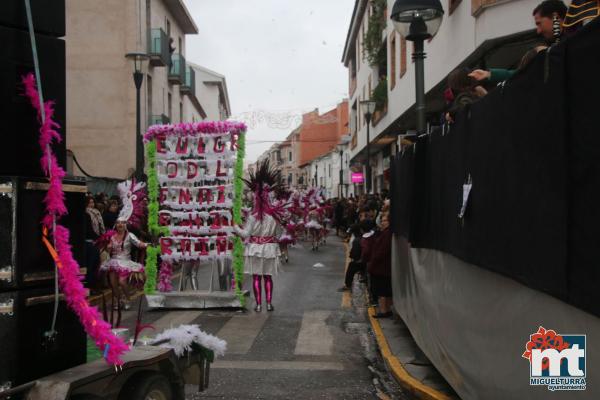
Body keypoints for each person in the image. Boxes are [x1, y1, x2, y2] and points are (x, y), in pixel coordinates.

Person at [469, 0, 568, 84]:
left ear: (555, 17)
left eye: (539, 23)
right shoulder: (558, 45)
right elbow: (524, 74)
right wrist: (489, 74)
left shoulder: (576, 40)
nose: (538, 31)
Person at [235, 159, 285, 312]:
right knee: (267, 277)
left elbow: (245, 234)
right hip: (269, 249)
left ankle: (258, 305)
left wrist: (234, 226)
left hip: (255, 248)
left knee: (256, 277)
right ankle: (269, 304)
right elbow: (279, 234)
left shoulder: (252, 217)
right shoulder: (275, 217)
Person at [99, 218, 147, 310]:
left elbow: (138, 244)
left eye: (122, 223)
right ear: (116, 225)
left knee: (122, 282)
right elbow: (107, 250)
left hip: (125, 263)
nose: (120, 225)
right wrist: (108, 248)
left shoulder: (130, 236)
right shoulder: (111, 236)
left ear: (125, 225)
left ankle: (128, 299)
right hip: (113, 262)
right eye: (118, 223)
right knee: (113, 284)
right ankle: (119, 300)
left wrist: (148, 244)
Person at [367, 213, 393, 318]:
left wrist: (373, 261)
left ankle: (383, 311)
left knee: (381, 290)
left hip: (381, 266)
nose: (382, 223)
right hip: (383, 266)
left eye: (385, 221)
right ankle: (386, 310)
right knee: (385, 289)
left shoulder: (387, 234)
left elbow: (382, 251)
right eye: (382, 221)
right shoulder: (385, 233)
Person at [85, 196, 105, 289]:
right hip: (90, 242)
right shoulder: (86, 214)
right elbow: (89, 230)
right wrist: (98, 237)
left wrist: (103, 236)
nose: (91, 204)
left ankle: (97, 284)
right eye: (89, 202)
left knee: (98, 264)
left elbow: (101, 226)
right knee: (91, 265)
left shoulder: (97, 213)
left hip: (97, 240)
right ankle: (91, 285)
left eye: (92, 202)